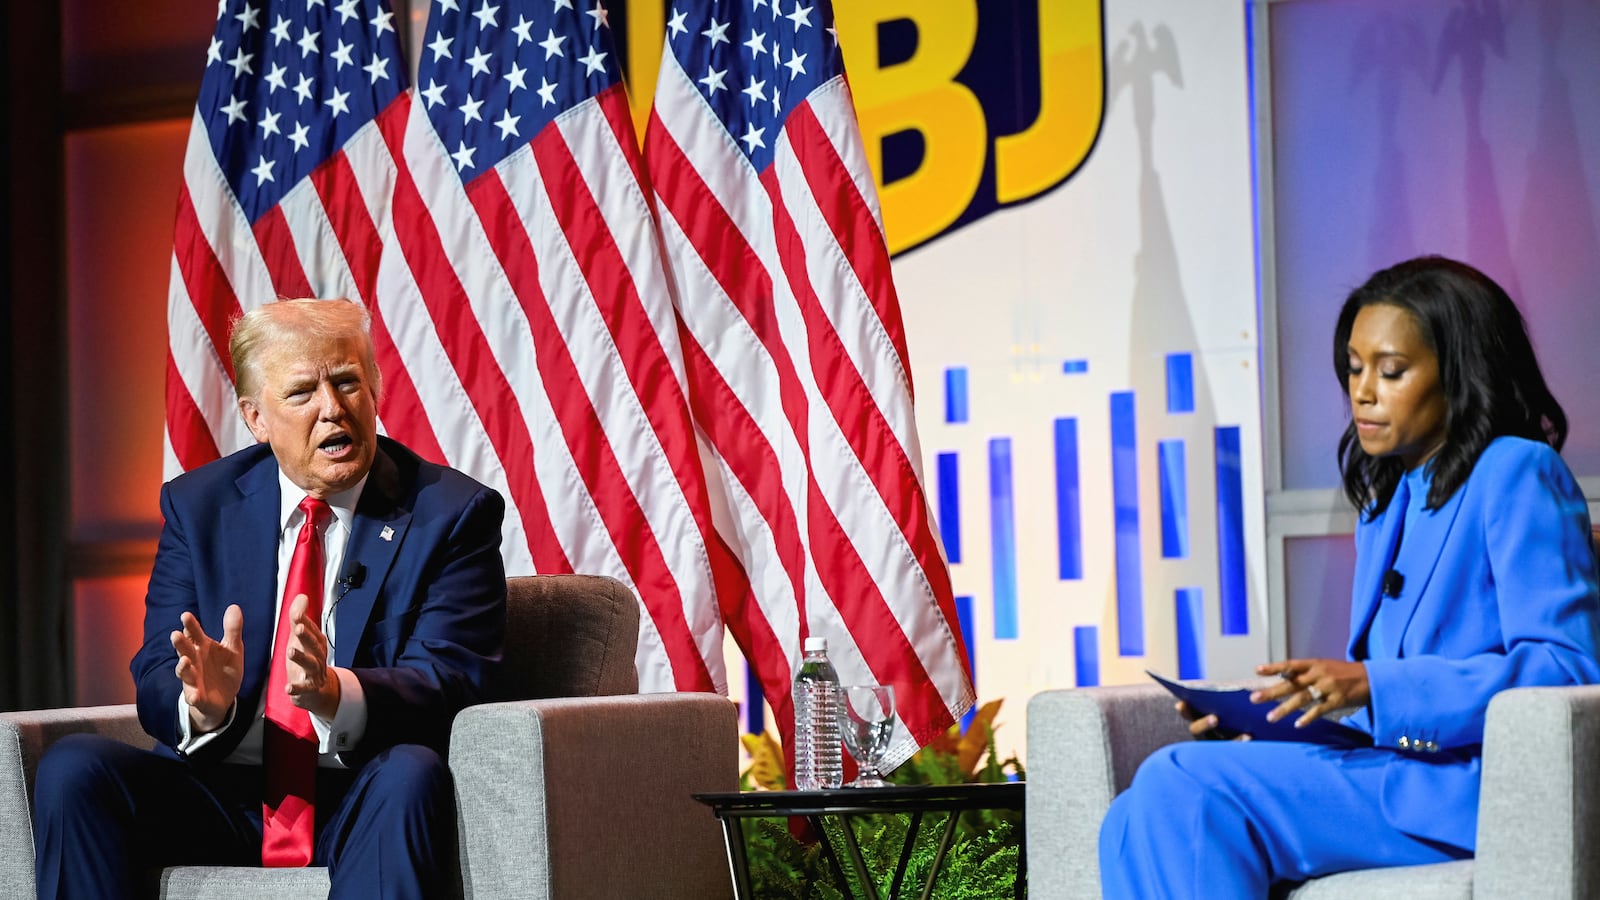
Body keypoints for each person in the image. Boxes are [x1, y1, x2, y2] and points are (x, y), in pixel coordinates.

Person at [1099, 256, 1600, 896]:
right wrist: (1272, 722)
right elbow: (1376, 700)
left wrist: (1374, 684)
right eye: (1354, 368)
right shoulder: (1387, 499)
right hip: (1389, 770)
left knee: (1182, 781)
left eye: (1391, 371)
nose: (1363, 391)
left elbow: (1567, 671)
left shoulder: (1517, 473)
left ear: (1460, 375)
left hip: (1464, 787)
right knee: (1132, 815)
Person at [32, 298, 507, 899]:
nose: (333, 409)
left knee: (412, 775)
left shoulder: (450, 514)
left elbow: (454, 679)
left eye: (348, 383)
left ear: (376, 389)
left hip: (359, 793)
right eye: (303, 393)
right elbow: (156, 670)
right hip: (218, 790)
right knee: (75, 770)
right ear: (256, 418)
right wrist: (204, 706)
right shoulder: (198, 506)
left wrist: (339, 693)